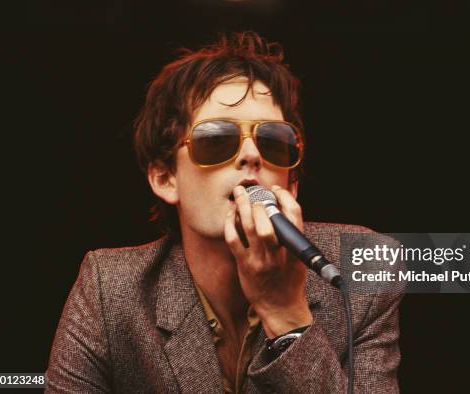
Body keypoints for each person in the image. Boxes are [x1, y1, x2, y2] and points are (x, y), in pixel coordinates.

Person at [46, 31, 403, 393]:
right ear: (165, 177)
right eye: (216, 140)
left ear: (291, 181)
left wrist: (287, 315)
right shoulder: (110, 290)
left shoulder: (365, 270)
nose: (251, 155)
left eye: (273, 142)